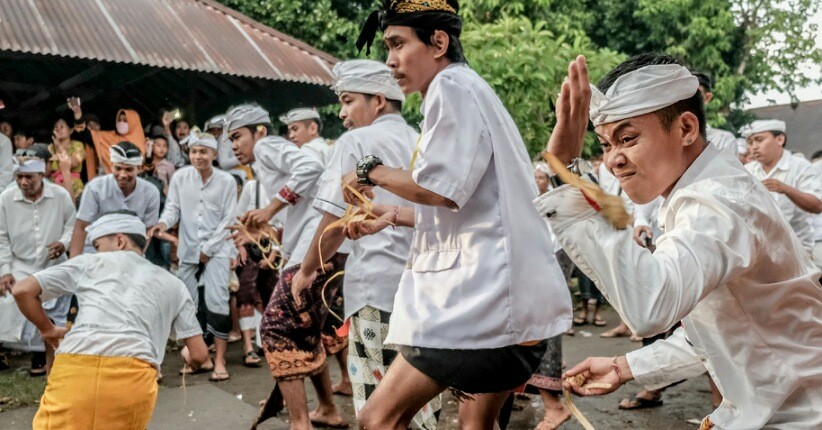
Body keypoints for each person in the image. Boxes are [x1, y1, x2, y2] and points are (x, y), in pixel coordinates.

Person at [533, 53, 822, 429]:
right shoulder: (705, 190)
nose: (614, 160)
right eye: (605, 144)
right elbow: (722, 329)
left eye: (628, 138)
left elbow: (650, 305)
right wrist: (624, 366)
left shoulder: (717, 199)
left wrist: (565, 175)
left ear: (686, 128)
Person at [346, 1, 572, 427]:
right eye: (387, 47)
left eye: (398, 44)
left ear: (438, 43)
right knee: (476, 427)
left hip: (478, 309)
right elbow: (476, 212)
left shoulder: (451, 88)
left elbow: (438, 190)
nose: (390, 61)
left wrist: (369, 170)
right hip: (510, 307)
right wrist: (391, 215)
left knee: (377, 420)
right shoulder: (469, 89)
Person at [290, 59, 441, 429]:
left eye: (348, 101)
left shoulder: (357, 142)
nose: (342, 114)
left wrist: (307, 270)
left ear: (378, 100)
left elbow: (334, 221)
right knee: (420, 407)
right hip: (430, 296)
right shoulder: (423, 141)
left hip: (378, 294)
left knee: (379, 410)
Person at [12, 211, 208, 430]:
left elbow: (22, 291)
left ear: (120, 240)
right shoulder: (174, 284)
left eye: (97, 245)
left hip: (76, 367)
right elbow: (199, 355)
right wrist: (188, 355)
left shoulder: (89, 263)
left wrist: (47, 330)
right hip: (134, 376)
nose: (96, 251)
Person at [226, 104, 335, 430]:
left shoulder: (266, 145)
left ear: (259, 132)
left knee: (274, 327)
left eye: (237, 136)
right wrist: (266, 228)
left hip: (313, 248)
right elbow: (301, 201)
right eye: (230, 140)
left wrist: (270, 209)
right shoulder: (264, 160)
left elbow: (311, 166)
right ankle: (327, 408)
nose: (234, 145)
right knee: (305, 330)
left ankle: (300, 422)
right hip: (311, 244)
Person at [149, 132, 237, 382]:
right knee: (187, 303)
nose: (198, 156)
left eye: (204, 151)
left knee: (217, 300)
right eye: (195, 151)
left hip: (217, 250)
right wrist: (163, 224)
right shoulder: (180, 177)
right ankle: (200, 358)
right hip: (188, 250)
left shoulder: (226, 181)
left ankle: (220, 360)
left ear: (214, 155)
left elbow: (229, 220)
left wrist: (208, 249)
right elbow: (173, 208)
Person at [0, 156, 75, 376]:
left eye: (29, 177)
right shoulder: (5, 198)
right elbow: (1, 237)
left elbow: (72, 225)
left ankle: (54, 364)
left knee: (57, 314)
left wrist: (64, 243)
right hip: (19, 265)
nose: (23, 182)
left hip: (54, 265)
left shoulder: (60, 196)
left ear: (42, 175)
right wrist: (4, 271)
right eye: (19, 177)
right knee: (9, 303)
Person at [741, 119, 822, 255]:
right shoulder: (747, 170)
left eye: (759, 140)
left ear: (779, 139)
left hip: (797, 250)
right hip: (760, 251)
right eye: (750, 142)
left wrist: (785, 189)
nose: (754, 147)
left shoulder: (800, 166)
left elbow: (817, 206)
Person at [69, 142, 161, 257]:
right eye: (118, 168)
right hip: (95, 252)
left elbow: (148, 230)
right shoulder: (95, 188)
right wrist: (74, 262)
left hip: (131, 254)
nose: (122, 174)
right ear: (111, 166)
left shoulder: (151, 193)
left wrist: (137, 256)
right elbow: (81, 226)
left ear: (139, 169)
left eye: (129, 169)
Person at [69, 102, 146, 175]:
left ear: (134, 123)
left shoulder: (144, 144)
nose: (121, 123)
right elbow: (85, 134)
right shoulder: (108, 137)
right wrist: (78, 116)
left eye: (125, 120)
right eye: (119, 120)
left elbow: (147, 167)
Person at [692, 72, 737, 155]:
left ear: (707, 97)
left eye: (694, 94)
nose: (686, 100)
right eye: (681, 95)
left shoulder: (723, 141)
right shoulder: (667, 140)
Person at [48, 117, 86, 199]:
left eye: (62, 127)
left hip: (74, 187)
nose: (58, 129)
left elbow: (72, 162)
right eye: (56, 127)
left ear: (71, 130)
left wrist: (59, 146)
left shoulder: (77, 145)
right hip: (54, 188)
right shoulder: (50, 148)